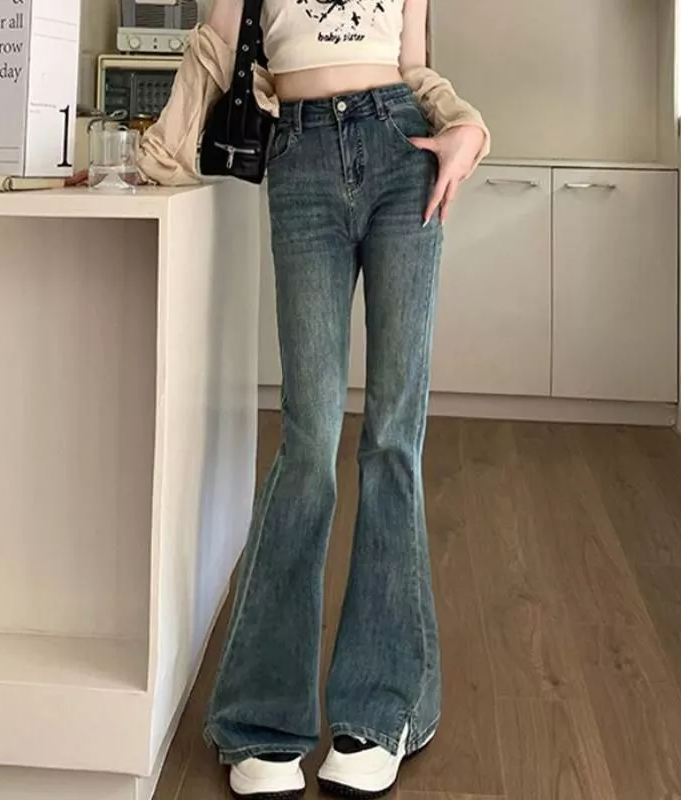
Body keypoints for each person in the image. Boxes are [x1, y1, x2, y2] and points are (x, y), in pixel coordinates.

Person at [189, 0, 490, 797]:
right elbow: (216, 45)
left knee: (393, 435)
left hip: (403, 152)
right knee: (309, 440)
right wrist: (157, 150)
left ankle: (382, 708)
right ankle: (261, 716)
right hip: (300, 156)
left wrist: (469, 126)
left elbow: (414, 67)